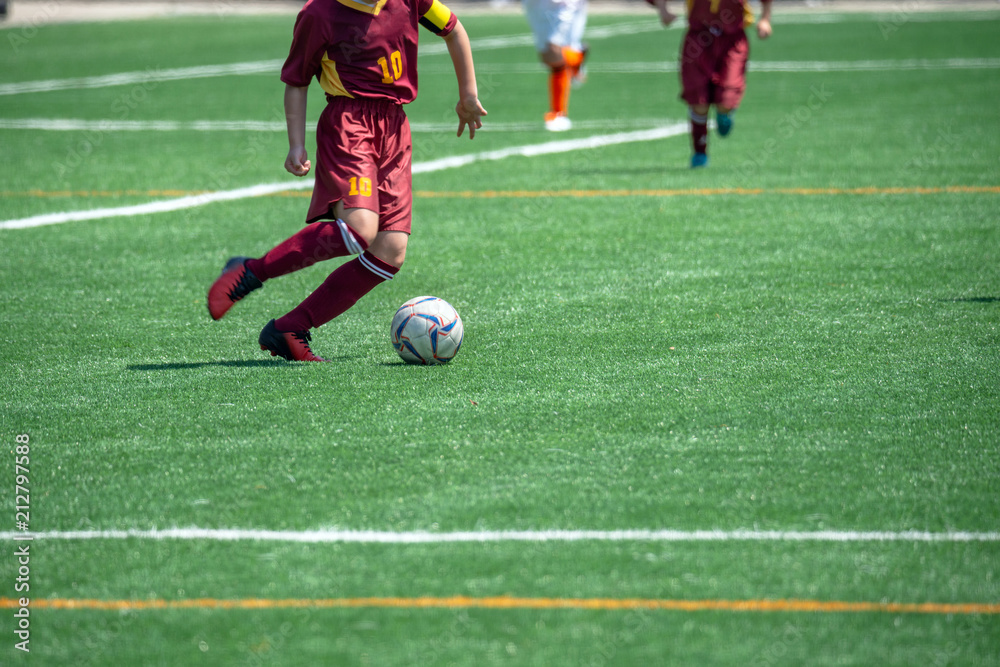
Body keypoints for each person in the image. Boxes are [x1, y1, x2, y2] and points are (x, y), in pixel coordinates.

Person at [207, 0, 486, 361]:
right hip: (349, 123)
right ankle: (249, 271)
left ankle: (292, 327)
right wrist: (296, 144)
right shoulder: (319, 13)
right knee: (359, 231)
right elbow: (296, 80)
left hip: (395, 128)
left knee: (389, 252)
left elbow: (454, 29)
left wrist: (468, 95)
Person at [653, 0, 772, 167]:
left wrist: (765, 18)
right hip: (698, 37)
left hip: (732, 40)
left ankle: (725, 112)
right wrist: (663, 9)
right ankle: (699, 153)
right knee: (698, 100)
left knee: (727, 98)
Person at [523, 0, 588, 132]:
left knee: (553, 53)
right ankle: (576, 57)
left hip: (563, 3)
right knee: (547, 57)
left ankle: (558, 114)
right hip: (535, 4)